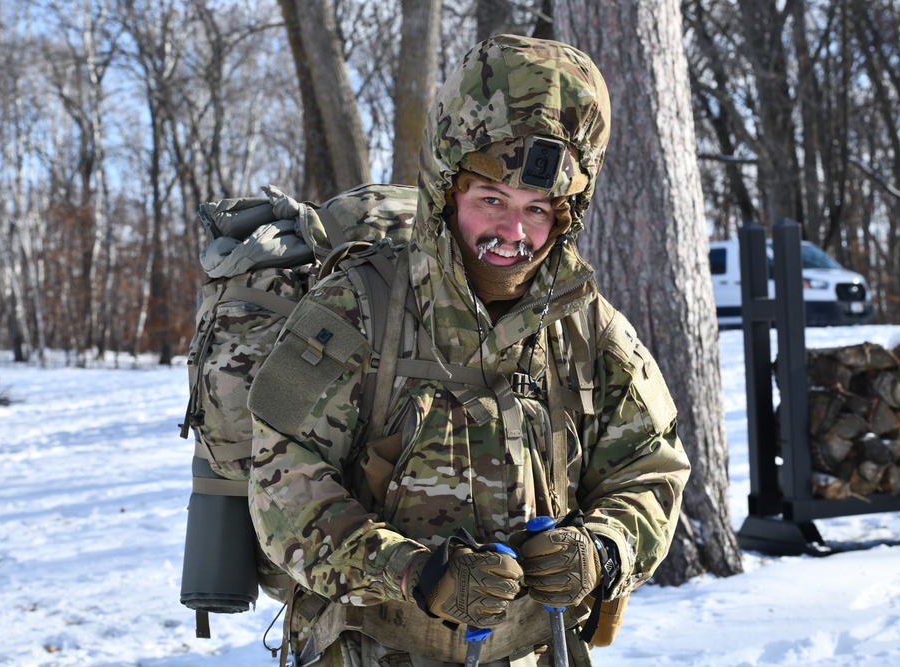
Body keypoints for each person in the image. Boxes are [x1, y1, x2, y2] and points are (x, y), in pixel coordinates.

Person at [247, 34, 691, 667]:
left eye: (538, 209)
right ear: (446, 193)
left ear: (567, 214)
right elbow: (282, 488)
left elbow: (651, 467)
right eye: (492, 201)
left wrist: (603, 549)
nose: (514, 233)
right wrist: (414, 572)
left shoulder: (585, 325)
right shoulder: (354, 309)